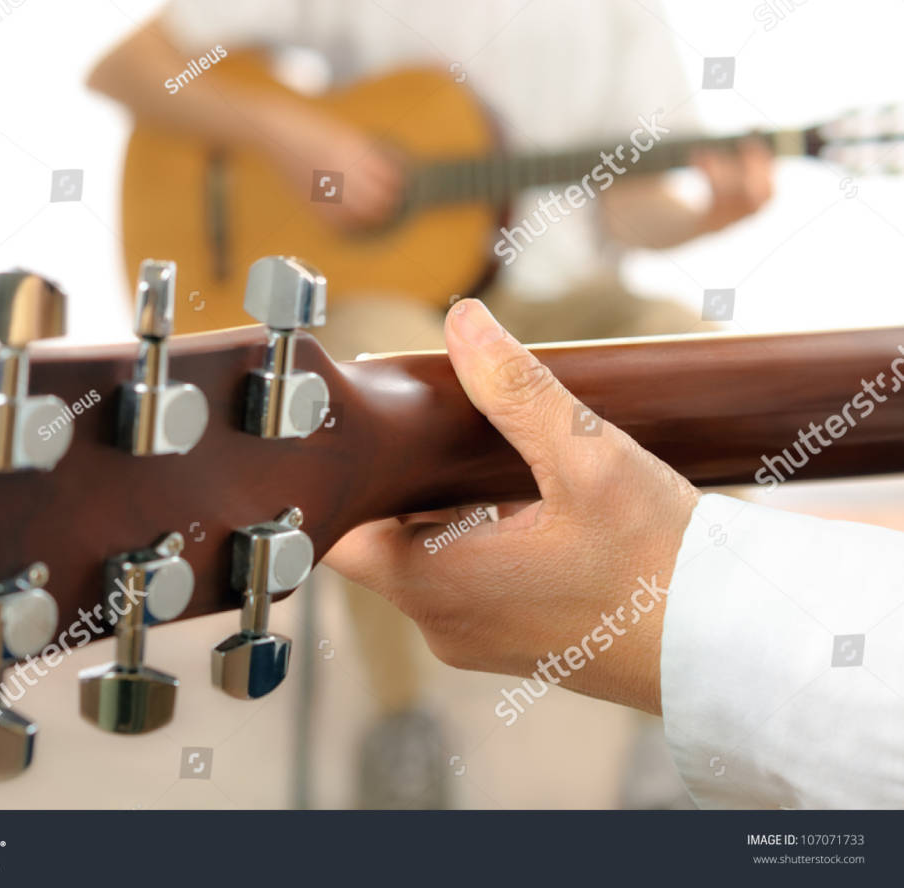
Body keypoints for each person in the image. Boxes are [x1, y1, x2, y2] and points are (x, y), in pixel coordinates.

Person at [88, 0, 773, 807]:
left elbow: (631, 206)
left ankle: (677, 732)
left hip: (573, 305)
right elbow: (127, 65)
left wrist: (707, 215)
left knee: (710, 369)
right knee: (378, 374)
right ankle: (402, 718)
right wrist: (292, 135)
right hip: (403, 302)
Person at [325, 297, 904, 809]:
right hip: (393, 296)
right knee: (388, 381)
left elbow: (638, 216)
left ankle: (681, 723)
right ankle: (399, 712)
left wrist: (709, 203)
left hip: (558, 295)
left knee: (689, 349)